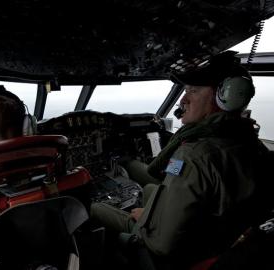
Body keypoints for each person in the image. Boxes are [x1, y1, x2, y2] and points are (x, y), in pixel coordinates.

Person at [90, 51, 272, 269]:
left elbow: (162, 244)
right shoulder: (250, 141)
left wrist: (143, 221)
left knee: (95, 207)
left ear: (225, 97)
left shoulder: (195, 155)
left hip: (183, 255)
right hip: (223, 238)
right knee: (148, 187)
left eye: (192, 91)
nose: (183, 100)